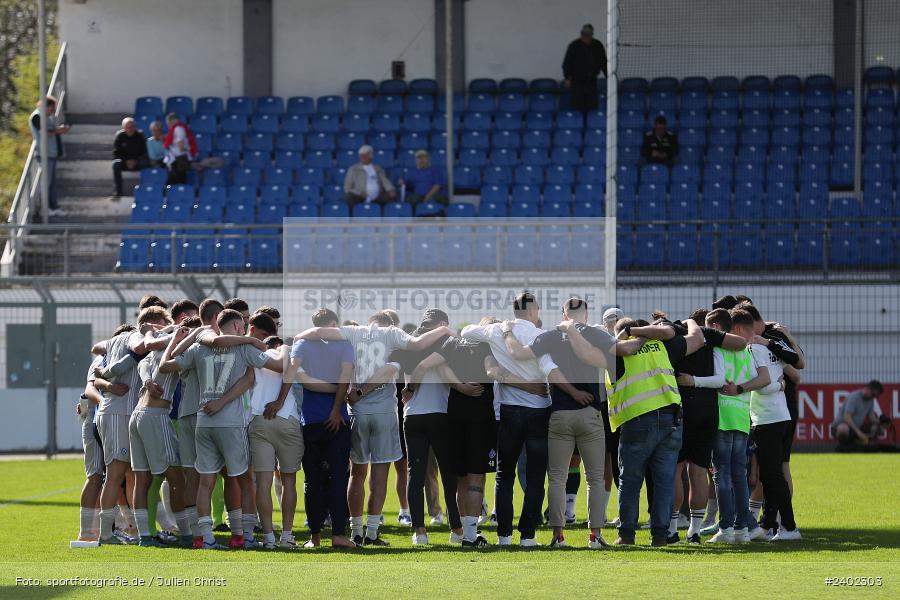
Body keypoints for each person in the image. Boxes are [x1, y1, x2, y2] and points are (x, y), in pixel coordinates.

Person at [294, 311, 452, 546]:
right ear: (390, 324)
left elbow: (318, 332)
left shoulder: (352, 332)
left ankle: (355, 531)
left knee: (356, 474)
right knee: (380, 473)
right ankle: (372, 533)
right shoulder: (392, 334)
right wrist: (445, 329)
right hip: (384, 410)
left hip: (356, 411)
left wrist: (298, 337)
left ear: (370, 322)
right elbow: (418, 343)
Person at [501, 298, 643, 548]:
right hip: (590, 413)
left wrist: (507, 332)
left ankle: (558, 535)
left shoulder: (551, 335)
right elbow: (625, 350)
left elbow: (517, 353)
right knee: (596, 478)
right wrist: (649, 334)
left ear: (564, 314)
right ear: (586, 314)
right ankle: (595, 536)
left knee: (557, 477)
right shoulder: (595, 334)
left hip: (559, 414)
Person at [159, 309, 281, 550]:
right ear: (237, 327)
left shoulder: (198, 347)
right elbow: (278, 365)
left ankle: (204, 538)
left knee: (206, 481)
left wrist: (179, 339)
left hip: (204, 420)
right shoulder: (244, 348)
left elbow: (166, 365)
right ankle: (242, 536)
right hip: (231, 422)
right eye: (242, 327)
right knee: (242, 479)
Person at [677, 309, 780, 543]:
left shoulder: (719, 348)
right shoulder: (746, 351)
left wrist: (694, 381)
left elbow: (719, 379)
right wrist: (742, 389)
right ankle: (742, 530)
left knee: (721, 476)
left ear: (714, 326)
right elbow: (761, 378)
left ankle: (725, 529)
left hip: (722, 416)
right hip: (742, 417)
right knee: (739, 476)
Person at [461, 293, 555, 547]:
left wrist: (496, 329)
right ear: (533, 310)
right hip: (538, 411)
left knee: (505, 475)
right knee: (536, 477)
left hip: (509, 411)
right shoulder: (540, 336)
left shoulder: (497, 331)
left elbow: (467, 332)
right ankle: (528, 536)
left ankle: (504, 535)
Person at [608, 318, 704, 547]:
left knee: (630, 481)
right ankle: (660, 535)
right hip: (671, 421)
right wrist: (690, 320)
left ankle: (627, 535)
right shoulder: (663, 346)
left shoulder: (617, 351)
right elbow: (698, 338)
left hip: (638, 421)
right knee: (664, 481)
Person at [662, 310, 747, 544]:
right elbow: (738, 347)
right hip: (708, 410)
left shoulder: (672, 338)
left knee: (675, 471)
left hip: (681, 410)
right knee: (698, 472)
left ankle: (671, 530)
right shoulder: (710, 339)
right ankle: (695, 531)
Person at [728, 307, 802, 542]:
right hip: (779, 416)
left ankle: (789, 528)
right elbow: (787, 370)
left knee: (772, 475)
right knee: (770, 476)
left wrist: (741, 388)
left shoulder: (752, 349)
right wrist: (780, 385)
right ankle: (770, 525)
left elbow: (766, 381)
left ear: (738, 329)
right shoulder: (770, 347)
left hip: (768, 418)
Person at [288, 308, 356, 549]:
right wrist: (337, 410)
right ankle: (338, 534)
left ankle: (314, 537)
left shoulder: (303, 343)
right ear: (335, 323)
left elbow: (294, 371)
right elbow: (345, 377)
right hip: (337, 421)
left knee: (311, 481)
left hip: (310, 420)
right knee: (339, 479)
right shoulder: (345, 344)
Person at [245, 313, 305, 550]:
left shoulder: (253, 356)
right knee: (289, 481)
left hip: (259, 419)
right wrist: (280, 400)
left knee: (263, 482)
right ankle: (287, 535)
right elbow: (288, 366)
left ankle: (268, 537)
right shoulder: (284, 349)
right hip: (286, 417)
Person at [29, 95, 69, 216]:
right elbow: (45, 133)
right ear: (46, 106)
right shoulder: (37, 116)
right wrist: (58, 130)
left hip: (51, 153)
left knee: (52, 183)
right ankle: (44, 209)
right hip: (44, 154)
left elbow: (51, 131)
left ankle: (54, 206)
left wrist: (58, 129)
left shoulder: (48, 117)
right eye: (51, 108)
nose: (53, 111)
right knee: (46, 183)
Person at [562, 24, 607, 113]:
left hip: (591, 81)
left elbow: (604, 63)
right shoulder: (574, 46)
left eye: (587, 35)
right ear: (581, 34)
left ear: (591, 35)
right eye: (584, 35)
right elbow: (567, 64)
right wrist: (567, 78)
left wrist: (608, 76)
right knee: (577, 107)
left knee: (591, 107)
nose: (585, 37)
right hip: (577, 82)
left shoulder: (597, 45)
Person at [831, 381, 885, 449]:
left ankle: (864, 445)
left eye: (875, 396)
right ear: (867, 389)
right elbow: (847, 417)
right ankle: (843, 448)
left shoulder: (870, 400)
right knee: (843, 429)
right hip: (841, 425)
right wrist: (859, 433)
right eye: (873, 395)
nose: (873, 397)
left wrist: (880, 423)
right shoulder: (854, 397)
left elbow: (871, 417)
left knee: (876, 428)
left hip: (856, 427)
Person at [111, 117, 148, 198]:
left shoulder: (140, 136)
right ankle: (118, 191)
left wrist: (136, 161)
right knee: (115, 164)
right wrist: (126, 161)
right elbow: (116, 153)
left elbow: (145, 152)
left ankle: (146, 191)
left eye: (132, 127)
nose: (130, 129)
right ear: (124, 128)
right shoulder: (120, 136)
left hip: (138, 162)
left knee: (146, 164)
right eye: (128, 127)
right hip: (124, 163)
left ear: (135, 127)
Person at [163, 112, 198, 185]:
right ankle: (171, 193)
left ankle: (169, 192)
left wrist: (187, 149)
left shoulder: (178, 129)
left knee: (176, 180)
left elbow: (181, 147)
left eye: (168, 123)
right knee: (176, 179)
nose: (168, 125)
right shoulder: (179, 128)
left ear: (172, 121)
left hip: (179, 159)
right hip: (177, 159)